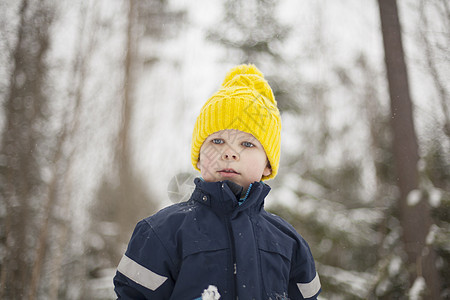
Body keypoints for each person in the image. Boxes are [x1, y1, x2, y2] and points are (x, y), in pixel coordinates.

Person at [113, 64, 321, 299]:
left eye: (247, 144)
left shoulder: (289, 243)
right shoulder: (161, 233)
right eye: (218, 142)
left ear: (268, 165)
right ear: (199, 158)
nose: (230, 153)